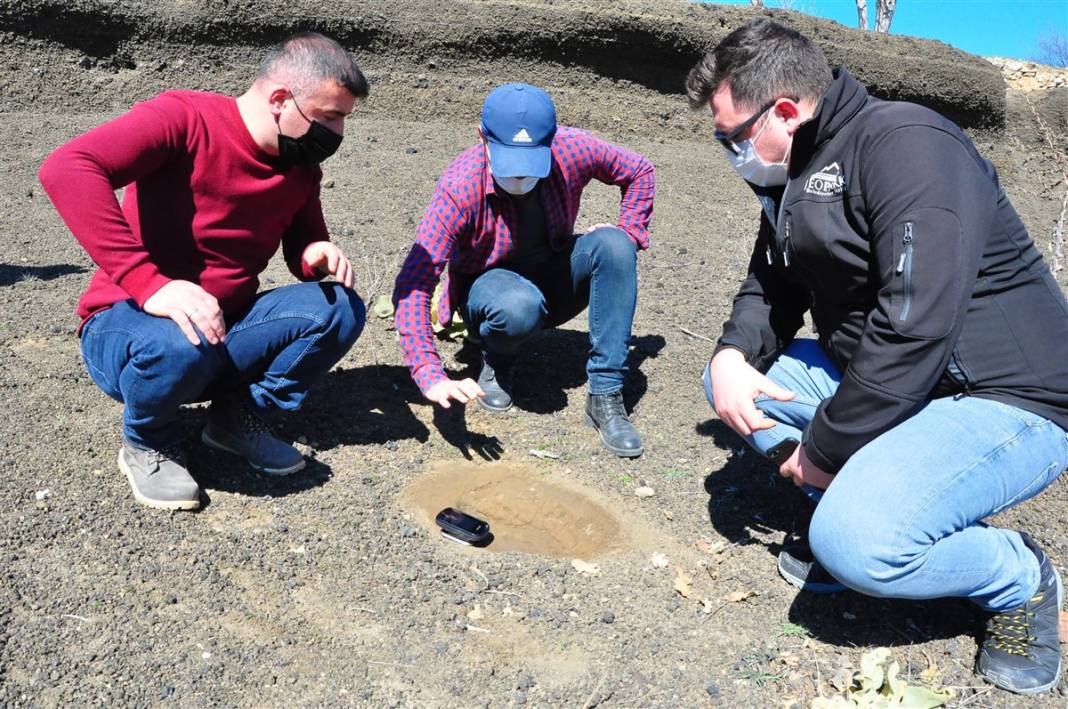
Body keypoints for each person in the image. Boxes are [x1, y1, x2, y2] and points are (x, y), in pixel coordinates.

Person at [688, 19, 1068, 695]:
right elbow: (770, 288)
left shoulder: (905, 144)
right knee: (749, 387)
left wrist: (828, 447)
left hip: (1007, 396)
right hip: (903, 383)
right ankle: (863, 484)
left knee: (858, 541)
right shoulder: (790, 175)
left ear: (783, 110)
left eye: (732, 137)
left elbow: (915, 325)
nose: (729, 151)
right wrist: (728, 355)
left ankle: (1019, 577)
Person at [39, 32, 368, 511]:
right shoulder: (183, 118)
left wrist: (314, 252)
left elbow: (301, 246)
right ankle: (147, 441)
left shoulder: (300, 165)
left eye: (344, 119)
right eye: (329, 117)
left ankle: (237, 419)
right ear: (280, 99)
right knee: (180, 341)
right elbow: (69, 167)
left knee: (338, 308)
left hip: (222, 327)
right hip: (129, 325)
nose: (337, 134)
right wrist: (150, 284)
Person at [392, 83, 655, 457]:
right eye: (509, 162)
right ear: (482, 138)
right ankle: (497, 361)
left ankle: (606, 393)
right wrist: (429, 373)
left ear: (553, 139)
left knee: (615, 245)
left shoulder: (574, 148)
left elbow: (640, 171)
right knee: (516, 307)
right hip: (489, 289)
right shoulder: (460, 187)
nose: (519, 177)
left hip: (553, 273)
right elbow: (415, 282)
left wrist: (628, 229)